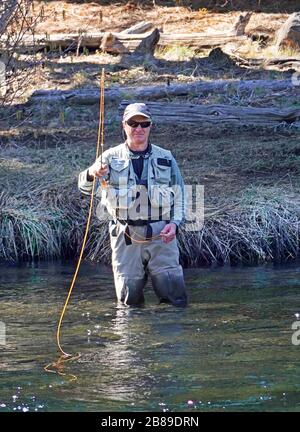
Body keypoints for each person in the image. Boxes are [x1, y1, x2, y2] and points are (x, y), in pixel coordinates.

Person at [78, 102, 187, 307]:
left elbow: (181, 194)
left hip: (161, 234)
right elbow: (84, 188)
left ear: (150, 126)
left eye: (144, 123)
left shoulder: (166, 156)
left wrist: (175, 223)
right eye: (133, 123)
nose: (138, 128)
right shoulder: (109, 157)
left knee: (175, 299)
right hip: (125, 235)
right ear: (124, 125)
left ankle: (170, 338)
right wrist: (92, 174)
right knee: (129, 302)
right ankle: (131, 339)